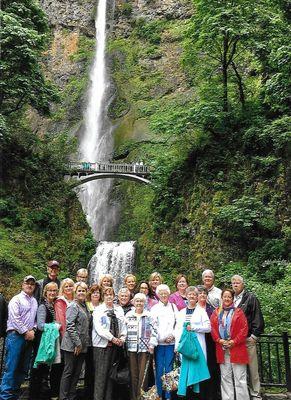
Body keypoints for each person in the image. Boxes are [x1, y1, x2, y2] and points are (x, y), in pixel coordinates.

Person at [0, 275, 38, 400]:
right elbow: (14, 318)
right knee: (11, 367)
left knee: (22, 368)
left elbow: (35, 320)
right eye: (27, 283)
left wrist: (33, 330)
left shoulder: (34, 301)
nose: (30, 285)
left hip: (28, 338)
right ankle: (5, 397)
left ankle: (15, 395)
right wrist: (26, 331)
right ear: (23, 284)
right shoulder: (16, 299)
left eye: (32, 284)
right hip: (15, 336)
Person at [210, 288, 250, 400]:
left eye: (229, 297)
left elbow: (244, 329)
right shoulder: (216, 312)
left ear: (232, 299)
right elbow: (212, 328)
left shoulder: (239, 312)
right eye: (225, 296)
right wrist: (219, 340)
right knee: (225, 377)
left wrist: (234, 341)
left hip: (237, 348)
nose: (227, 299)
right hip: (222, 348)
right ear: (221, 298)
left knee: (240, 378)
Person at [231, 275, 265, 400]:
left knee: (252, 369)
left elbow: (257, 317)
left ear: (243, 284)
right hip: (234, 342)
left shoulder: (251, 298)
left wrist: (254, 336)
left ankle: (256, 394)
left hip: (247, 339)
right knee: (239, 370)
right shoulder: (230, 298)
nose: (235, 285)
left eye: (238, 282)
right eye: (233, 283)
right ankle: (242, 394)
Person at [175, 286, 210, 399]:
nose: (191, 296)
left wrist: (194, 327)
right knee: (186, 371)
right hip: (185, 347)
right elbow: (177, 330)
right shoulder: (181, 313)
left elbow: (208, 328)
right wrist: (177, 346)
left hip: (197, 346)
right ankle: (185, 395)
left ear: (197, 297)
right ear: (186, 296)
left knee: (196, 372)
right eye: (189, 294)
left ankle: (196, 395)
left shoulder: (201, 311)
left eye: (194, 295)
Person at [92, 286, 127, 400]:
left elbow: (123, 326)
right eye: (106, 294)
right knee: (101, 376)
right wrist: (112, 338)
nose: (109, 296)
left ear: (114, 296)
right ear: (103, 296)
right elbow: (99, 329)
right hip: (102, 346)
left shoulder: (118, 309)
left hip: (115, 347)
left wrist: (122, 338)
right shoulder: (99, 310)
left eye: (111, 294)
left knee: (111, 376)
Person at [59, 282, 91, 400]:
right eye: (79, 291)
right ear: (75, 292)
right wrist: (77, 344)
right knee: (68, 372)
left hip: (82, 345)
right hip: (72, 345)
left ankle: (71, 396)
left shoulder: (84, 306)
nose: (81, 293)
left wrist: (82, 344)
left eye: (83, 290)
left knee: (77, 372)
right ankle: (63, 397)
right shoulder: (73, 306)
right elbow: (70, 326)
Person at [29, 282, 60, 400]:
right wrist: (55, 325)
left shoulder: (54, 305)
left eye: (54, 291)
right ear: (45, 292)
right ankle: (33, 396)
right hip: (41, 343)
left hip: (48, 343)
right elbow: (41, 326)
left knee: (44, 370)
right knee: (38, 371)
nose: (52, 293)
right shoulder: (43, 306)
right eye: (50, 291)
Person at [126, 293, 158, 400]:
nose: (139, 303)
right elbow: (123, 331)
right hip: (131, 348)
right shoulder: (128, 315)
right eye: (137, 301)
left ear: (144, 303)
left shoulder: (149, 315)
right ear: (134, 302)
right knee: (133, 374)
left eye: (141, 301)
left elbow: (155, 331)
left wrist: (152, 344)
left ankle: (142, 397)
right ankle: (134, 397)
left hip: (145, 348)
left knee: (143, 375)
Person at [151, 284, 178, 400]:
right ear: (158, 295)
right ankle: (159, 394)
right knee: (159, 369)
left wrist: (173, 335)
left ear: (168, 293)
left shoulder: (173, 307)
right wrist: (161, 338)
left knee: (169, 370)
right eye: (161, 293)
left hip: (171, 344)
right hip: (159, 344)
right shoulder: (154, 308)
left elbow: (178, 323)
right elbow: (152, 326)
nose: (163, 295)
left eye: (165, 292)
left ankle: (168, 396)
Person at [195, 286, 220, 400]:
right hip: (196, 341)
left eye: (204, 293)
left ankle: (211, 394)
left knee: (211, 367)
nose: (202, 295)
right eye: (200, 293)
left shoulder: (212, 309)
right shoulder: (192, 309)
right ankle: (198, 394)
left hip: (210, 342)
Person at [84, 284, 101, 400]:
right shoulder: (86, 305)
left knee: (98, 368)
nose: (96, 294)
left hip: (99, 342)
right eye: (94, 292)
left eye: (98, 292)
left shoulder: (102, 306)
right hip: (88, 341)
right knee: (89, 367)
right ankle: (88, 392)